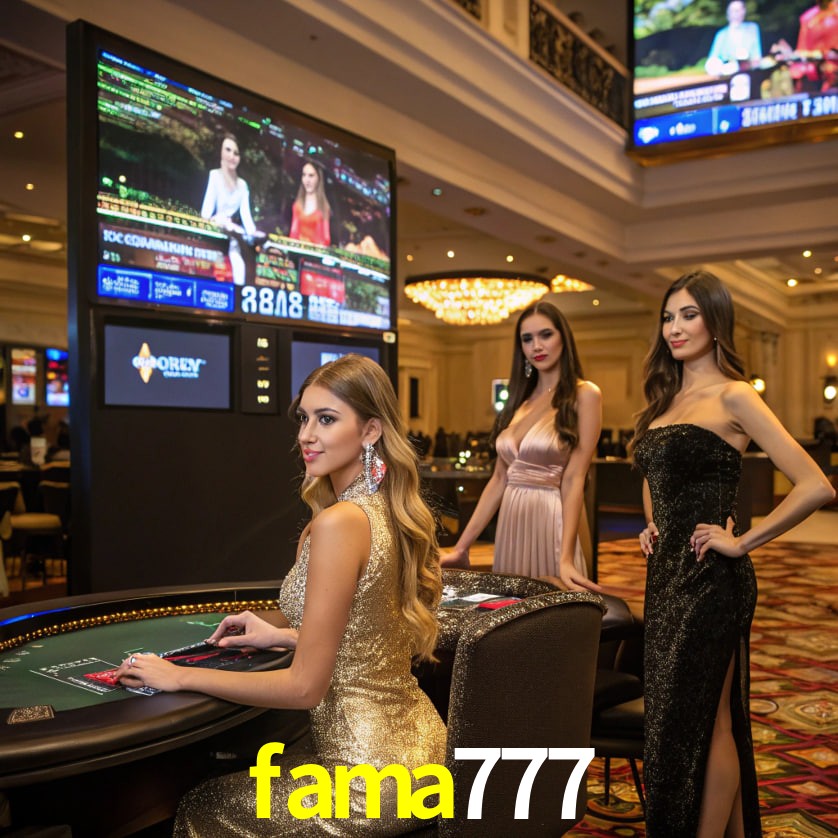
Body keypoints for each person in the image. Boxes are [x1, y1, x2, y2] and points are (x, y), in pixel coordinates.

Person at [116, 354, 446, 834]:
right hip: (422, 751)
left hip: (367, 776)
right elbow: (370, 635)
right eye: (303, 418)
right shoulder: (386, 510)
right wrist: (283, 634)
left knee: (204, 804)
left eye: (326, 419)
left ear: (371, 430)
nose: (306, 435)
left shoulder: (340, 522)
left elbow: (303, 688)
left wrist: (179, 676)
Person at [631, 270, 834, 837]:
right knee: (673, 720)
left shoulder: (735, 394)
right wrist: (652, 523)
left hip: (712, 582)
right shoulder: (665, 399)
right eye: (668, 317)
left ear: (716, 321)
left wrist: (743, 542)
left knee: (711, 721)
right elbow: (653, 475)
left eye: (689, 314)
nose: (674, 328)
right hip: (665, 579)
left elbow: (815, 484)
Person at [441, 301, 602, 591]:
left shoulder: (585, 395)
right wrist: (462, 548)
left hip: (551, 518)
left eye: (546, 335)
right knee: (514, 609)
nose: (536, 346)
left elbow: (575, 478)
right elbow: (499, 480)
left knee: (551, 608)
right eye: (527, 339)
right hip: (512, 523)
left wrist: (565, 557)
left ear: (564, 338)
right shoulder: (519, 401)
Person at [201, 132, 257, 285]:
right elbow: (206, 213)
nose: (232, 156)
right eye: (228, 150)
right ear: (220, 152)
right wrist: (218, 221)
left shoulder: (243, 185)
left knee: (239, 270)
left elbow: (247, 218)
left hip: (234, 240)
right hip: (215, 236)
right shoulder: (214, 176)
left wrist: (255, 235)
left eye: (236, 153)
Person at [705, 1, 763, 76]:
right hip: (724, 74)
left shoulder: (752, 29)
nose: (736, 14)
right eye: (733, 10)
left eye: (739, 10)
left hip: (746, 74)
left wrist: (742, 65)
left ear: (744, 11)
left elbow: (757, 59)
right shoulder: (721, 34)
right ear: (728, 13)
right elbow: (712, 59)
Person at [289, 161, 331, 246]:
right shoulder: (297, 205)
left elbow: (326, 238)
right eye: (304, 175)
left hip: (314, 252)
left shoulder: (324, 207)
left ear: (318, 178)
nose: (307, 180)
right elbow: (293, 233)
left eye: (311, 175)